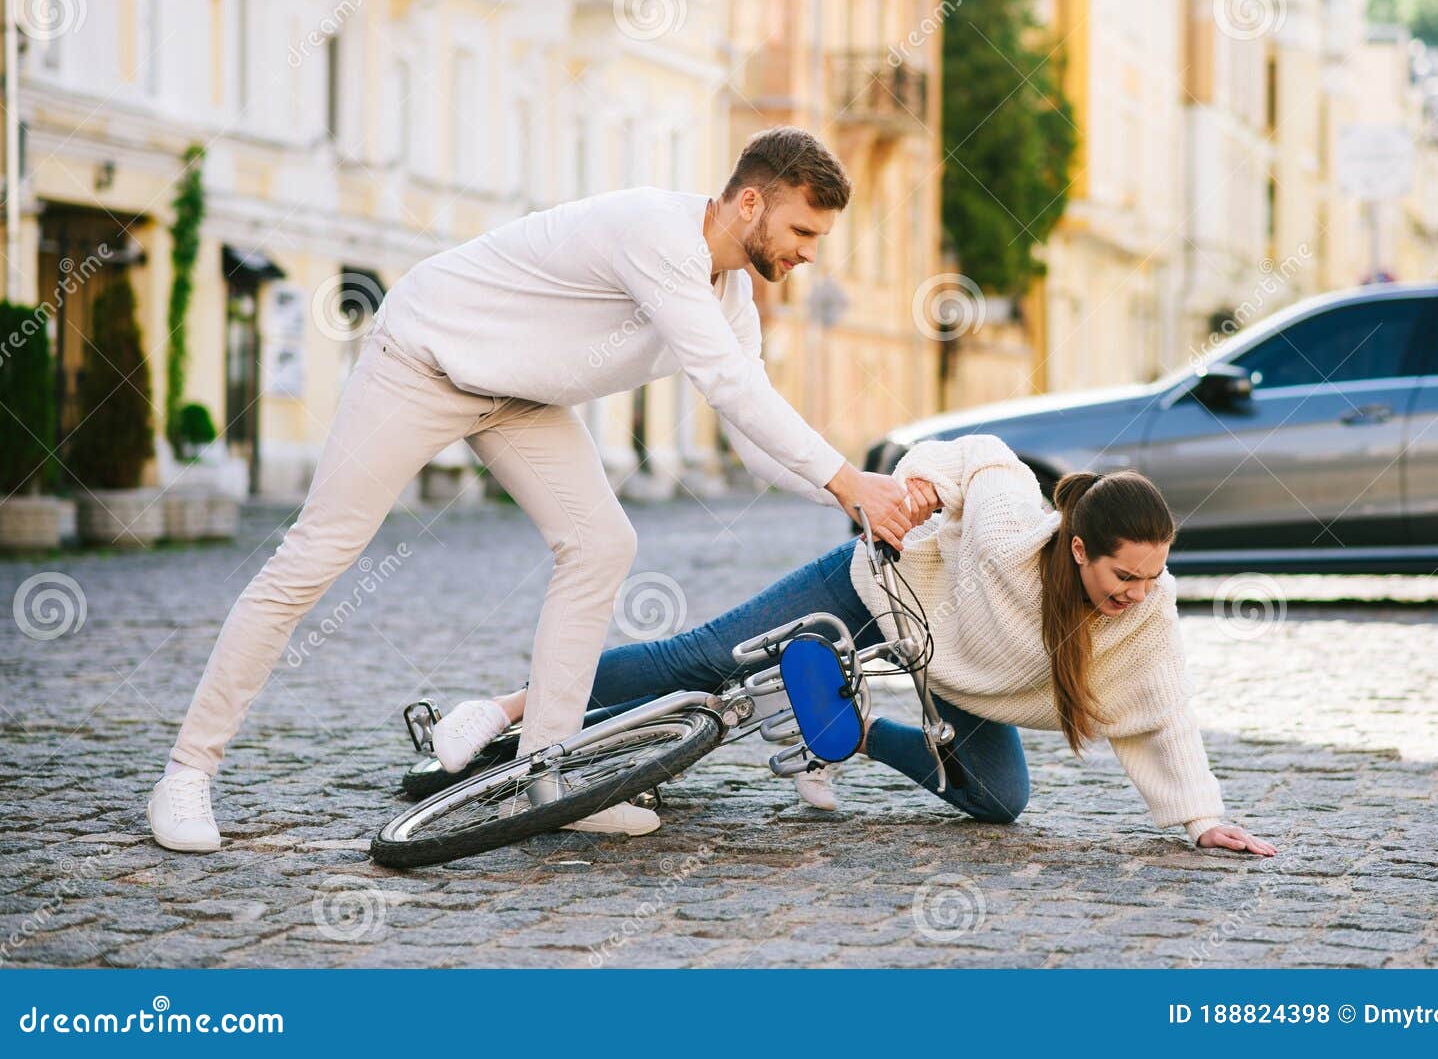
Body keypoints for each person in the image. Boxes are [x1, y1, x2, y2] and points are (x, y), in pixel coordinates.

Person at [147, 127, 914, 852]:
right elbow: (727, 385)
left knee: (601, 543)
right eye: (804, 232)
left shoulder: (731, 298)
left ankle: (541, 779)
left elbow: (751, 440)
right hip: (425, 359)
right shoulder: (657, 233)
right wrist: (850, 484)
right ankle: (186, 773)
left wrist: (856, 492)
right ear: (752, 202)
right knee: (318, 553)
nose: (809, 253)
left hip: (520, 398)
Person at [436, 434, 1278, 855]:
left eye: (1153, 576)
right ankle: (505, 708)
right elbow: (980, 457)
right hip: (885, 589)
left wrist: (1200, 818)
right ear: (1079, 545)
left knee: (1000, 800)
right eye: (1124, 575)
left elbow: (1163, 708)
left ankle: (839, 727)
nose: (1139, 592)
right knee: (704, 658)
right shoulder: (1017, 528)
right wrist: (915, 487)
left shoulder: (1145, 609)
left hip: (958, 670)